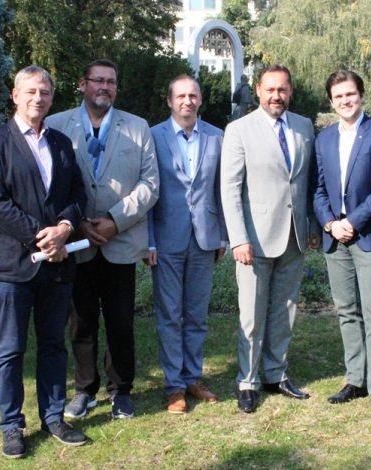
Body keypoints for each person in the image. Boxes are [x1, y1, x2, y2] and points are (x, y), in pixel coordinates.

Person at [0, 65, 88, 458]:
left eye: (44, 92)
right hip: (11, 266)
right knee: (10, 349)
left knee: (54, 344)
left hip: (56, 266)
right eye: (30, 91)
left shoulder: (61, 142)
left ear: (52, 98)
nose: (37, 98)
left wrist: (65, 227)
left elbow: (77, 195)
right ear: (15, 95)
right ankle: (11, 425)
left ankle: (54, 417)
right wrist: (43, 235)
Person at [46, 59, 159, 420]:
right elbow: (50, 183)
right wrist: (74, 223)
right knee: (80, 323)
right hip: (76, 242)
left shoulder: (137, 127)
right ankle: (84, 389)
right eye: (98, 80)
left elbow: (150, 184)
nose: (104, 87)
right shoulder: (56, 125)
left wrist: (115, 220)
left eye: (111, 82)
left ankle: (121, 390)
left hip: (119, 242)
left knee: (120, 322)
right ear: (83, 84)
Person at [220, 64, 321, 413]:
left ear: (290, 91)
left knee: (284, 310)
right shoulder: (239, 130)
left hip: (294, 235)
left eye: (282, 89)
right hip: (254, 239)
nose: (276, 96)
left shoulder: (304, 126)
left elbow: (308, 182)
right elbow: (230, 188)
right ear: (259, 91)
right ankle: (247, 380)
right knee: (251, 314)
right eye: (270, 89)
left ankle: (275, 373)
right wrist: (238, 238)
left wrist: (312, 225)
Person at [312, 70, 371, 419]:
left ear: (361, 95)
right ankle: (356, 379)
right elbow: (317, 189)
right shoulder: (323, 138)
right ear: (331, 101)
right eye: (338, 96)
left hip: (370, 236)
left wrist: (353, 221)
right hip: (336, 238)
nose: (345, 101)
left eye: (350, 94)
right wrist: (331, 224)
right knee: (346, 311)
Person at [146, 75, 227, 414]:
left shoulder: (217, 136)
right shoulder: (152, 136)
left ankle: (193, 378)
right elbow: (147, 191)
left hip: (205, 238)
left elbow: (223, 189)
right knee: (170, 316)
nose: (187, 101)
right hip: (166, 239)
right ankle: (174, 386)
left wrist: (223, 235)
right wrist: (149, 241)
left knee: (196, 315)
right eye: (180, 96)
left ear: (200, 99)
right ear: (170, 101)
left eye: (192, 95)